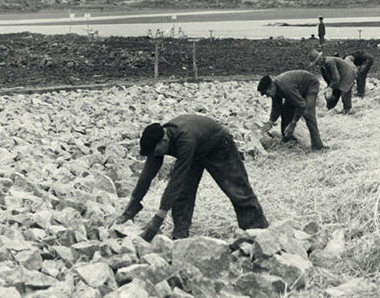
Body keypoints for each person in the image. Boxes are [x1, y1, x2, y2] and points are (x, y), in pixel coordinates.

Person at [116, 114, 269, 241]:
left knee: (238, 189)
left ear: (164, 141)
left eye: (155, 152)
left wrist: (157, 220)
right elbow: (146, 176)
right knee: (182, 194)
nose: (155, 156)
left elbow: (176, 181)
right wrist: (130, 209)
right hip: (196, 151)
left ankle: (258, 233)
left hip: (218, 146)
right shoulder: (159, 140)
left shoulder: (185, 139)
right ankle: (180, 236)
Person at [257, 70, 326, 150]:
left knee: (308, 113)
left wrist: (293, 124)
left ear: (272, 85)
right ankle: (287, 140)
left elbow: (301, 105)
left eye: (267, 93)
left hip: (310, 85)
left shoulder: (285, 87)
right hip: (297, 89)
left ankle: (318, 146)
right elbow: (277, 107)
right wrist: (270, 121)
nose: (267, 96)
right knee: (286, 111)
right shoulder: (275, 89)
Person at [309, 49, 357, 114]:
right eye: (315, 63)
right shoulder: (323, 66)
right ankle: (329, 108)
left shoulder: (329, 62)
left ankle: (347, 110)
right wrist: (328, 88)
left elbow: (336, 78)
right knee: (332, 94)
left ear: (320, 58)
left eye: (316, 62)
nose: (316, 64)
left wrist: (330, 88)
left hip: (347, 74)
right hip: (340, 76)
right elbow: (329, 79)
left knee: (345, 93)